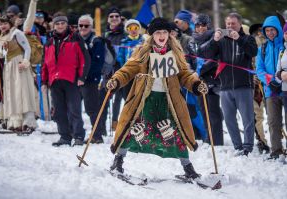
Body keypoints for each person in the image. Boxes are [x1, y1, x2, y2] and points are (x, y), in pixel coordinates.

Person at [107, 17, 208, 179]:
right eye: (158, 32)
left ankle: (188, 168)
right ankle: (118, 161)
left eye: (165, 32)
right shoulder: (143, 52)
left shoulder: (175, 53)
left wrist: (196, 84)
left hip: (169, 101)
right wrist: (116, 80)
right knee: (132, 129)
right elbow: (127, 70)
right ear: (152, 35)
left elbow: (185, 74)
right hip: (144, 99)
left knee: (176, 132)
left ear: (169, 34)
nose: (161, 35)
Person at [206, 13, 258, 155]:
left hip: (244, 86)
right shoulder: (221, 40)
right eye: (228, 24)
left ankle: (247, 147)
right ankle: (237, 146)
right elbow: (208, 55)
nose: (230, 26)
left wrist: (239, 39)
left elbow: (253, 52)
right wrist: (214, 40)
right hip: (225, 86)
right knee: (229, 119)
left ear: (240, 24)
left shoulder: (248, 39)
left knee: (247, 118)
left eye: (233, 23)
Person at [42, 13, 90, 146]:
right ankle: (65, 137)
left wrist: (82, 76)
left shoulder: (75, 38)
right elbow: (45, 63)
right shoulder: (49, 41)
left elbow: (85, 59)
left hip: (71, 79)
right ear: (54, 25)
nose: (60, 25)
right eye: (57, 23)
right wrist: (44, 81)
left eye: (62, 23)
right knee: (59, 111)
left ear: (67, 24)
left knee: (74, 110)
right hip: (54, 80)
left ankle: (78, 136)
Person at [0, 15, 37, 132]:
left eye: (5, 23)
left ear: (10, 24)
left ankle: (29, 121)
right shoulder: (2, 36)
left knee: (23, 91)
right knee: (12, 92)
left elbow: (27, 48)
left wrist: (25, 61)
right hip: (8, 66)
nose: (2, 26)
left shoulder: (17, 33)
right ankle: (16, 122)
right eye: (0, 24)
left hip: (19, 64)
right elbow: (2, 54)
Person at [192, 14, 223, 146]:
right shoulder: (192, 41)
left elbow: (216, 59)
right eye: (198, 25)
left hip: (212, 78)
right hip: (198, 79)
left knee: (213, 110)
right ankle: (208, 137)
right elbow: (190, 58)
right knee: (203, 109)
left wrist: (201, 69)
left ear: (208, 26)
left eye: (203, 25)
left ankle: (217, 140)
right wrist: (191, 70)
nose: (200, 28)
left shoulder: (214, 38)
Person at [257, 16, 285, 159]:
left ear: (278, 30)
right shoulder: (262, 48)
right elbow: (259, 69)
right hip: (270, 91)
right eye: (267, 30)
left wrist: (280, 79)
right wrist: (270, 81)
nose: (270, 33)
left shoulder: (284, 45)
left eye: (272, 29)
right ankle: (276, 151)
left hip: (285, 88)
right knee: (273, 122)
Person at [78, 14, 106, 144]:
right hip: (76, 79)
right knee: (74, 107)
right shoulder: (76, 39)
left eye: (86, 25)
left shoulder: (96, 41)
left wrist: (84, 76)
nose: (83, 28)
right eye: (81, 25)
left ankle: (97, 135)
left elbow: (97, 63)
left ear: (91, 27)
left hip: (90, 80)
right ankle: (76, 132)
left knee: (92, 109)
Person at [103, 7, 126, 131]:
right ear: (108, 19)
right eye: (111, 16)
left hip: (124, 71)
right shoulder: (105, 34)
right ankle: (111, 123)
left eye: (116, 16)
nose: (114, 18)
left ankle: (128, 123)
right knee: (108, 99)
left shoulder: (125, 33)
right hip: (109, 71)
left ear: (120, 18)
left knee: (126, 98)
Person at [249, 23, 270, 153]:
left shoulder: (271, 44)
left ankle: (270, 140)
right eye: (258, 31)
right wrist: (251, 75)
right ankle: (261, 140)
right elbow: (248, 63)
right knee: (258, 114)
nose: (260, 33)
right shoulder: (253, 44)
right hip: (257, 83)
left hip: (271, 82)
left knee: (272, 114)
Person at [117, 19, 144, 98]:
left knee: (140, 95)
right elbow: (120, 57)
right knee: (127, 95)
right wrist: (124, 69)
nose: (133, 30)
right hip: (128, 73)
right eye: (130, 28)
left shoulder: (144, 41)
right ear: (127, 30)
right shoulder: (124, 42)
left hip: (141, 73)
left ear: (139, 28)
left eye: (135, 27)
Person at [275, 22, 287, 156]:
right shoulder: (282, 50)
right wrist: (280, 75)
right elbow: (277, 72)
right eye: (285, 32)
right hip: (285, 90)